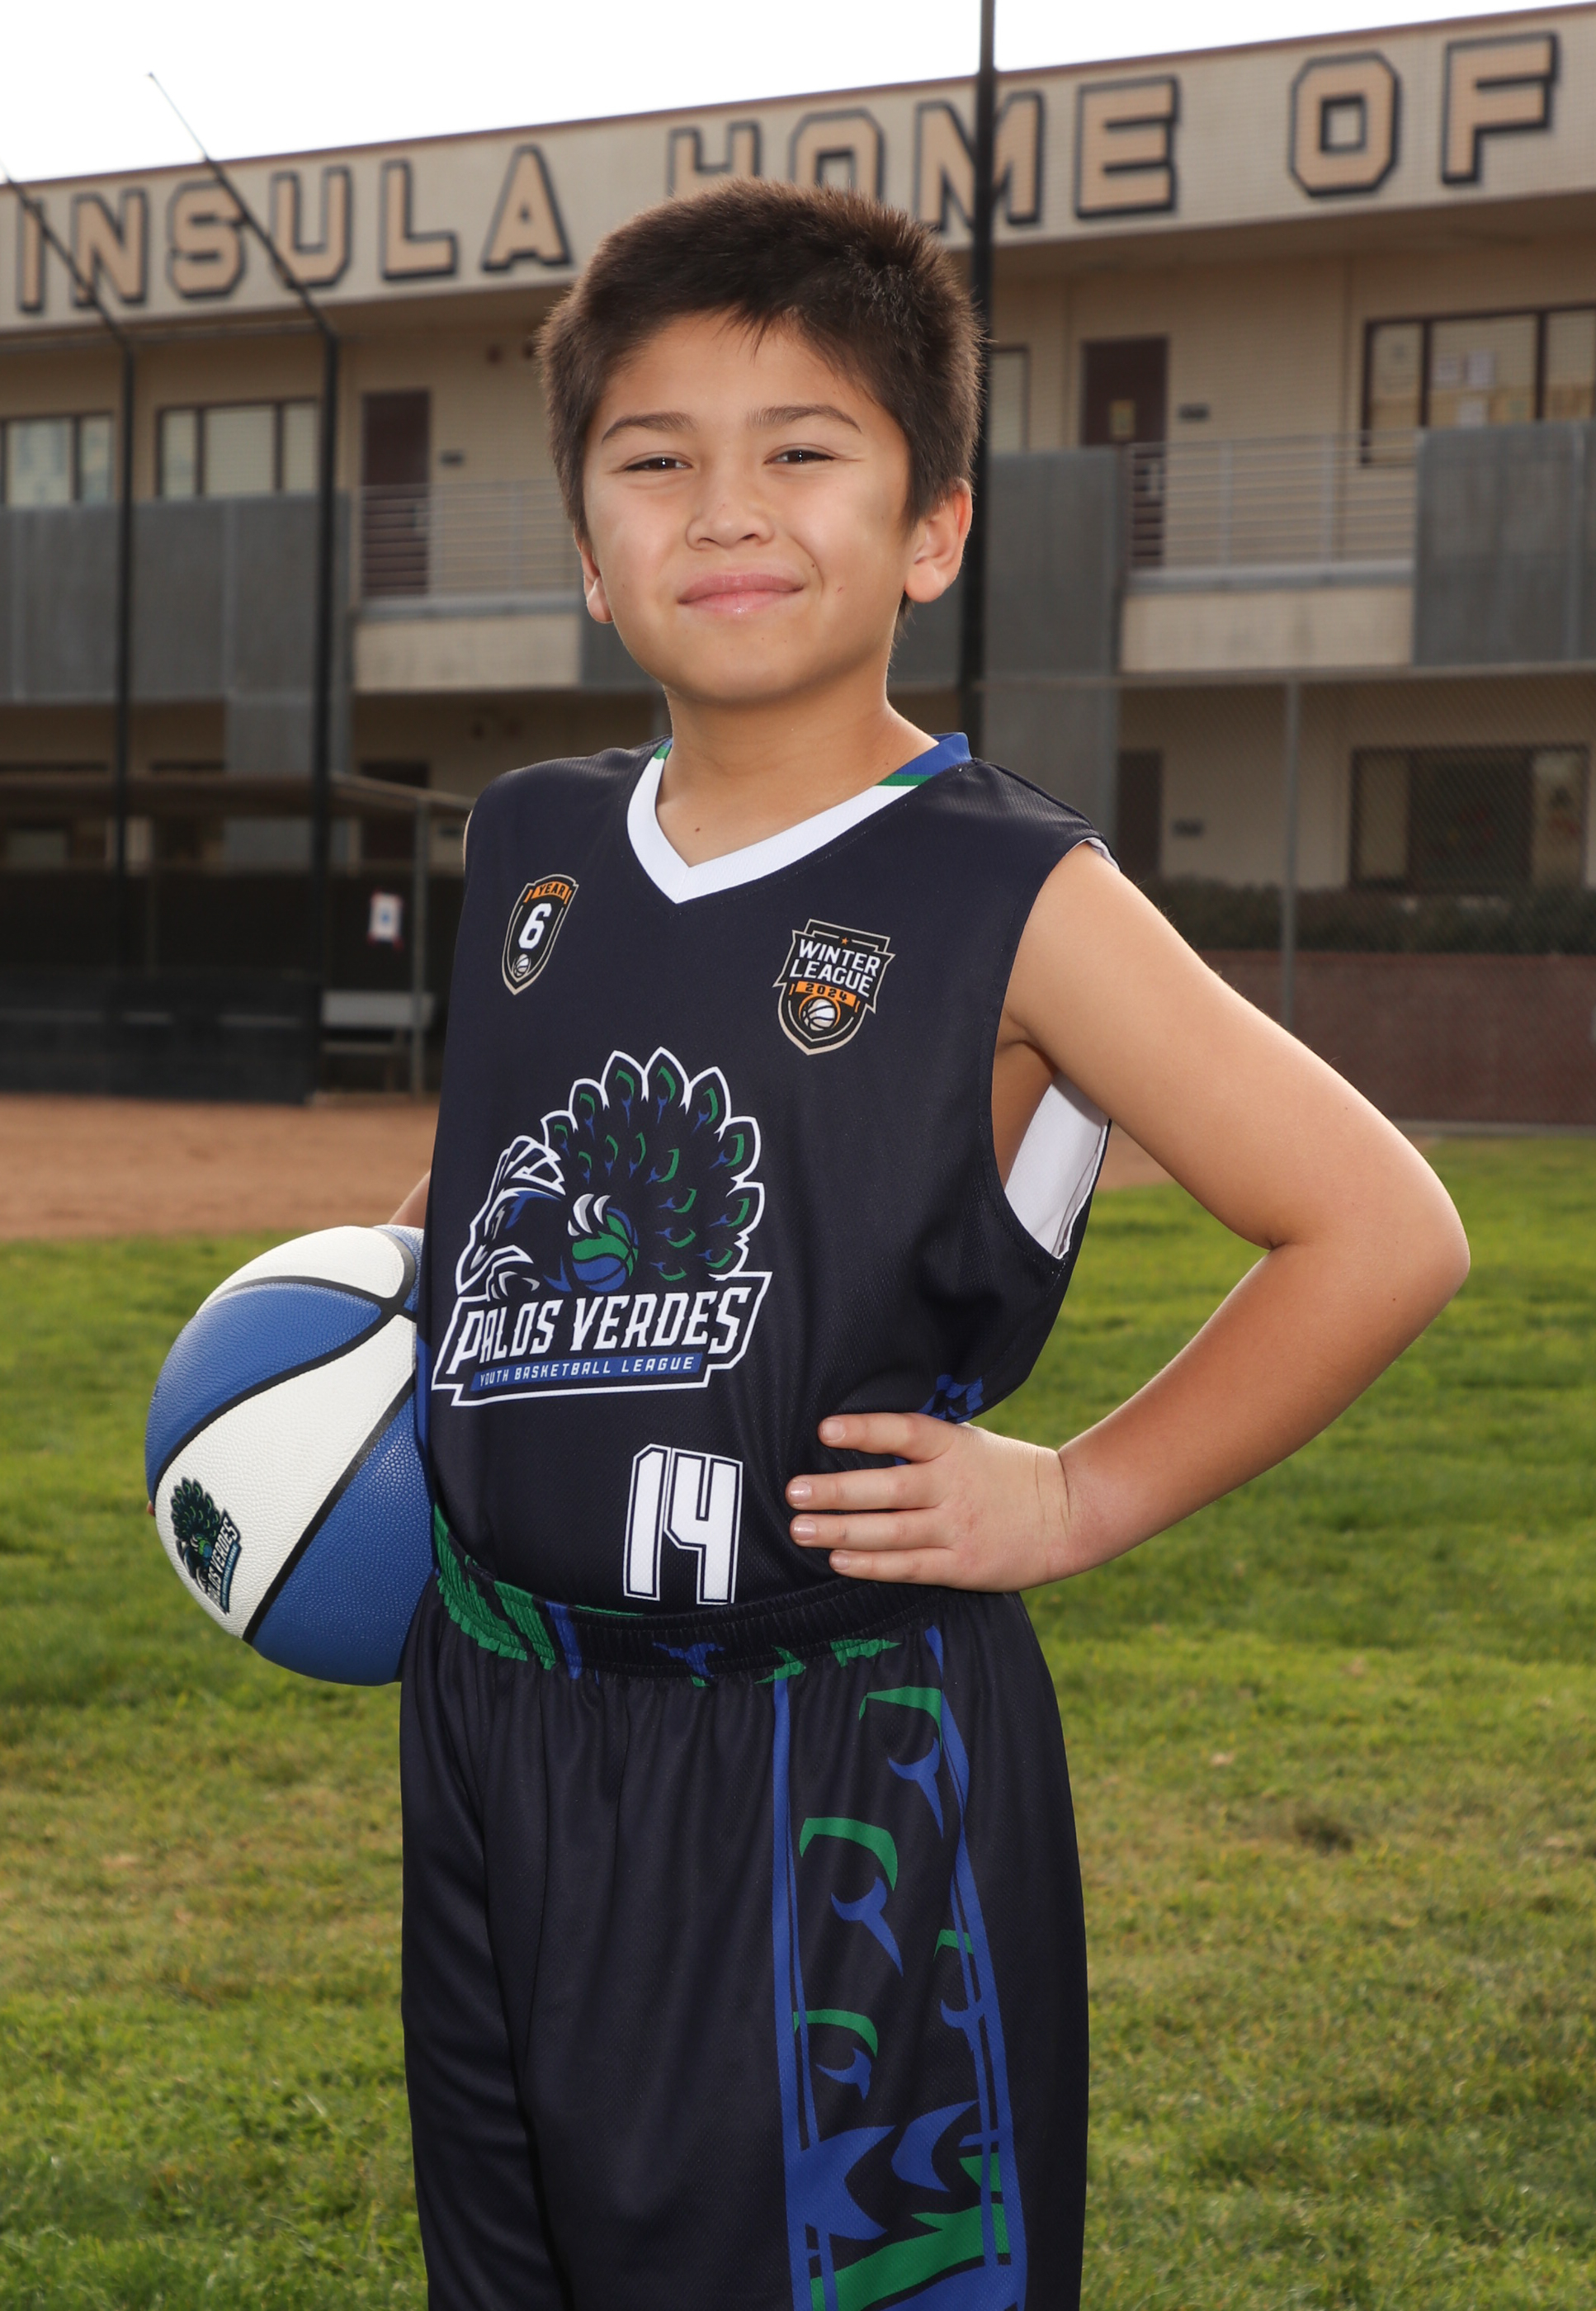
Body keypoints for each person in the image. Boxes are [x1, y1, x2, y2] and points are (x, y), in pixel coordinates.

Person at [386, 177, 1468, 2311]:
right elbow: (499, 1190)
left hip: (824, 1753)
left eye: (803, 449)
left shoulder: (1011, 893)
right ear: (590, 549)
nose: (727, 508)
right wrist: (373, 1307)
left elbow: (1379, 1228)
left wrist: (1079, 1495)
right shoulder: (529, 846)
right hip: (497, 1721)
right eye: (654, 460)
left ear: (934, 528)